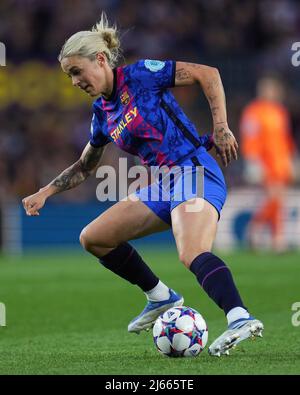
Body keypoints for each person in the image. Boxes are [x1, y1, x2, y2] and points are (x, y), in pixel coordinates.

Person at [22, 14, 263, 357]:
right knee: (94, 238)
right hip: (163, 185)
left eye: (76, 72)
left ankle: (240, 318)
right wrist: (46, 192)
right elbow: (85, 165)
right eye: (69, 76)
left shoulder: (140, 76)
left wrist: (221, 127)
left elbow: (207, 73)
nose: (74, 81)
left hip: (193, 169)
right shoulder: (102, 113)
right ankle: (160, 297)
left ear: (100, 60)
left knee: (191, 251)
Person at [240, 75, 296, 253]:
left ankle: (276, 239)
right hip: (266, 161)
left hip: (281, 161)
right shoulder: (253, 111)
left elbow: (286, 138)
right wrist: (253, 161)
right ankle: (256, 229)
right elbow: (250, 137)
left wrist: (291, 159)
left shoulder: (280, 111)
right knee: (274, 198)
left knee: (279, 200)